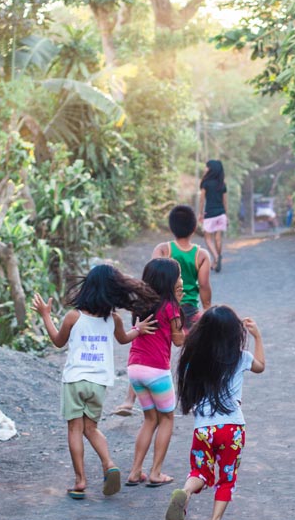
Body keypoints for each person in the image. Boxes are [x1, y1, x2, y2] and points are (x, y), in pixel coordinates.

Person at [32, 265, 158, 500]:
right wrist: (138, 330)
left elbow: (58, 342)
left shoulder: (73, 317)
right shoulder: (113, 320)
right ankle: (108, 463)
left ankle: (80, 481)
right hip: (99, 383)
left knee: (75, 429)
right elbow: (123, 339)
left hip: (74, 381)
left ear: (87, 288)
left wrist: (46, 315)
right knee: (91, 428)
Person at [164, 306, 266, 520]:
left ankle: (185, 491)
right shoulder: (240, 357)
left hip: (203, 429)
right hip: (231, 429)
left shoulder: (194, 359)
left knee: (199, 472)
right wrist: (257, 336)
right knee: (226, 477)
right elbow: (260, 366)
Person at [114, 205, 213, 416]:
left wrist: (144, 302)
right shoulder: (201, 254)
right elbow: (204, 285)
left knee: (144, 347)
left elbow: (152, 276)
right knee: (194, 352)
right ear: (194, 227)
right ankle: (196, 397)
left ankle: (129, 401)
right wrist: (207, 309)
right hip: (187, 309)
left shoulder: (163, 249)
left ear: (171, 226)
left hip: (158, 305)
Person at [124, 258, 187, 488]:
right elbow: (179, 341)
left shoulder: (140, 304)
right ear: (170, 281)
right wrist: (179, 308)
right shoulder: (170, 306)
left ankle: (134, 471)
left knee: (149, 419)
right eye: (178, 276)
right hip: (156, 370)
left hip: (135, 368)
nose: (181, 280)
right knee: (167, 418)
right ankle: (156, 472)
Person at [198, 160, 228, 272]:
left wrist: (200, 213)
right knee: (218, 238)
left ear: (211, 169)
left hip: (209, 214)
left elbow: (201, 200)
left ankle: (216, 257)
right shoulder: (222, 184)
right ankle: (217, 260)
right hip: (221, 214)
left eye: (207, 167)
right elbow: (225, 201)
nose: (205, 169)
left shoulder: (205, 183)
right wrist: (226, 214)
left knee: (207, 238)